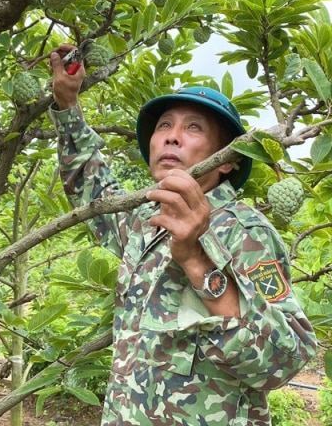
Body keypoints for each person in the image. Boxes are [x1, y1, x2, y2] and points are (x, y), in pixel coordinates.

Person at [47, 44, 318, 426]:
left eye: (194, 127)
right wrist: (67, 102)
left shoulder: (244, 231)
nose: (172, 137)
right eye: (164, 126)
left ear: (228, 161)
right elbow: (94, 190)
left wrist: (195, 259)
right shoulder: (145, 219)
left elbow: (283, 361)